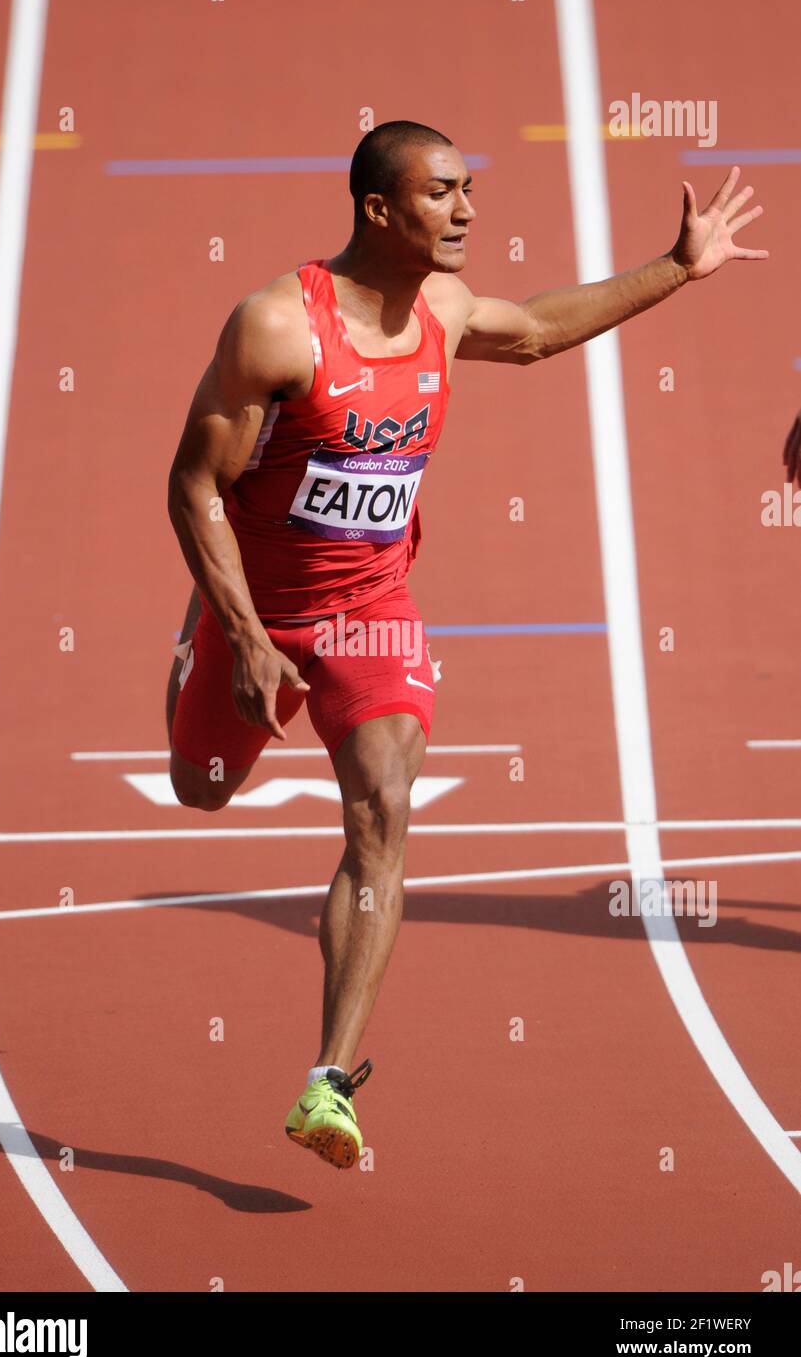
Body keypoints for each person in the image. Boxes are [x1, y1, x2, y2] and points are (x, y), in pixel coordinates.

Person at [166, 121, 767, 1170]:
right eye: (442, 194)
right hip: (256, 609)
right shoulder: (275, 327)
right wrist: (245, 634)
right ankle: (198, 636)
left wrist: (675, 270)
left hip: (373, 606)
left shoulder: (442, 307)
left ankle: (327, 1080)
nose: (467, 212)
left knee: (384, 802)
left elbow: (532, 329)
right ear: (378, 211)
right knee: (201, 787)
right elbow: (193, 486)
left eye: (467, 190)